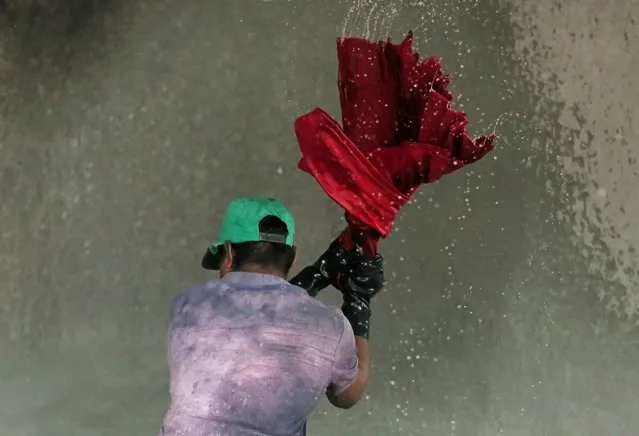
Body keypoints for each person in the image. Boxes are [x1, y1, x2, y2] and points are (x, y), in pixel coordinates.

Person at [158, 197, 384, 436]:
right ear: (293, 257)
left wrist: (319, 273)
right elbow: (347, 394)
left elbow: (255, 315)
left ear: (230, 253)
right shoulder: (331, 325)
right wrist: (358, 301)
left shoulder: (188, 305)